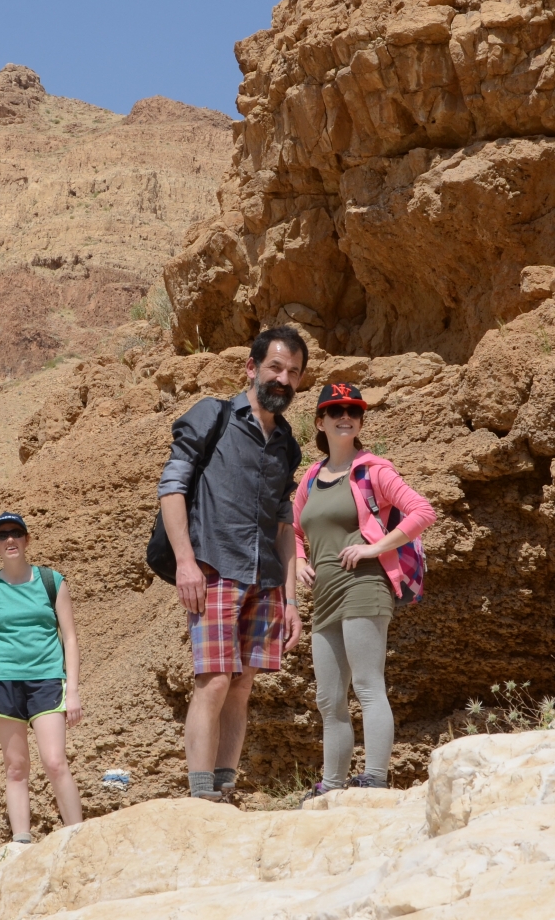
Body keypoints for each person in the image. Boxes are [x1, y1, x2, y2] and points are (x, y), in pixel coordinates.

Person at [157, 325, 307, 802]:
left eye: (293, 372)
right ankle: (200, 795)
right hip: (215, 569)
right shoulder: (213, 415)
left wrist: (291, 600)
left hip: (265, 578)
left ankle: (224, 790)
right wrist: (185, 563)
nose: (283, 379)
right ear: (251, 368)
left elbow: (284, 526)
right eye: (275, 367)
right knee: (215, 679)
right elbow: (171, 488)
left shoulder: (287, 443)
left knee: (242, 685)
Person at [293, 383, 434, 797]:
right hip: (325, 595)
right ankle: (332, 785)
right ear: (319, 422)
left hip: (365, 585)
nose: (345, 416)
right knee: (328, 698)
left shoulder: (374, 469)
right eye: (335, 410)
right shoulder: (311, 477)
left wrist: (374, 548)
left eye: (353, 410)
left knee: (368, 685)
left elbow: (423, 511)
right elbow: (294, 529)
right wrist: (299, 561)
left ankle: (374, 778)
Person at [0, 512, 83, 842]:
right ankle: (21, 843)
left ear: (27, 539)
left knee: (55, 762)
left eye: (16, 533)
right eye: (2, 535)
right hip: (4, 682)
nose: (10, 540)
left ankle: (78, 838)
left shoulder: (51, 581)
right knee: (16, 768)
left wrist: (73, 690)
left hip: (47, 680)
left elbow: (70, 638)